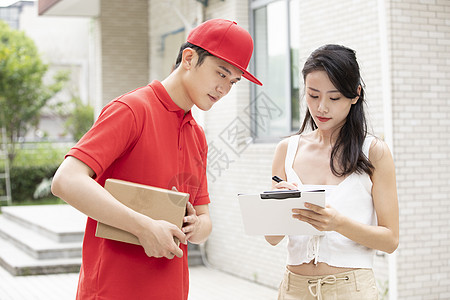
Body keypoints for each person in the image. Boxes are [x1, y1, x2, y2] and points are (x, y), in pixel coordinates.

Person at [51, 19, 262, 300]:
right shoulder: (132, 110)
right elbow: (66, 181)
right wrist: (144, 227)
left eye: (233, 82)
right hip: (112, 291)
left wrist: (196, 226)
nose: (225, 89)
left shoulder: (196, 135)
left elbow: (204, 221)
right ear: (189, 58)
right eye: (221, 74)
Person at [266, 44, 399, 300]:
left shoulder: (374, 152)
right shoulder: (287, 149)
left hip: (351, 290)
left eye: (334, 97)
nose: (321, 108)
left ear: (355, 95)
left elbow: (390, 240)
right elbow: (272, 238)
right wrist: (277, 207)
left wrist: (338, 224)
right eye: (313, 95)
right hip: (294, 288)